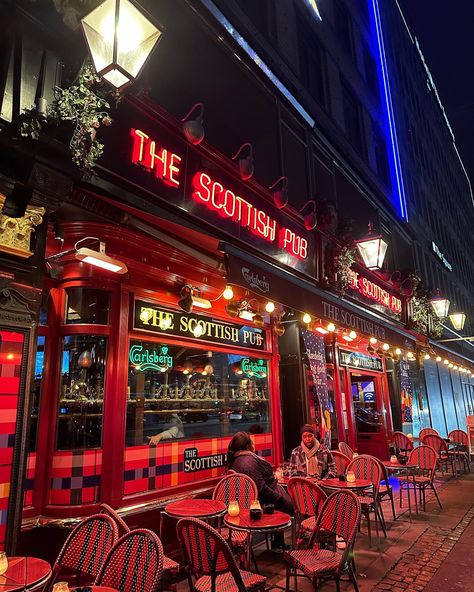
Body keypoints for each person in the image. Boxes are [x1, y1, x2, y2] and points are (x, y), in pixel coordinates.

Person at [227, 431, 293, 549]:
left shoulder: (235, 460)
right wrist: (281, 499)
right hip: (259, 503)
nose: (254, 443)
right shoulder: (249, 461)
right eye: (252, 441)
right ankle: (291, 542)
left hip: (248, 501)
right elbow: (262, 490)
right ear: (248, 445)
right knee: (292, 505)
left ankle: (278, 543)